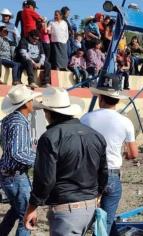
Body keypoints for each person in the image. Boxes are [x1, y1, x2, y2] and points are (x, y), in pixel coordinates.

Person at [24, 87, 108, 235]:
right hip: (90, 207)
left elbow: (45, 180)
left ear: (48, 113)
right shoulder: (95, 135)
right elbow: (103, 172)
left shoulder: (50, 137)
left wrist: (32, 208)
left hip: (66, 211)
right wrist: (97, 194)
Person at [81, 85, 138, 235]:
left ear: (100, 98)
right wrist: (124, 154)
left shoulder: (86, 119)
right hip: (112, 173)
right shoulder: (125, 122)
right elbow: (133, 154)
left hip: (89, 174)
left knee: (101, 218)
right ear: (117, 100)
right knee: (105, 220)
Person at [0, 85, 41, 236]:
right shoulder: (19, 123)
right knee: (27, 217)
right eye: (31, 99)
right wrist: (39, 161)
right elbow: (18, 153)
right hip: (16, 176)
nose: (33, 101)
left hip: (8, 174)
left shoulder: (9, 119)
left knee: (15, 210)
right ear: (26, 103)